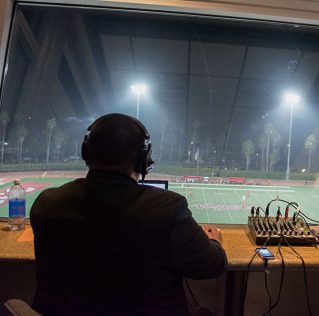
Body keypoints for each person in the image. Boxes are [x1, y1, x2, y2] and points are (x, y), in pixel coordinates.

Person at [30, 113, 227, 316]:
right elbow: (211, 266)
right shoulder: (168, 209)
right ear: (143, 159)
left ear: (86, 152)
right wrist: (215, 242)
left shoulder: (46, 203)